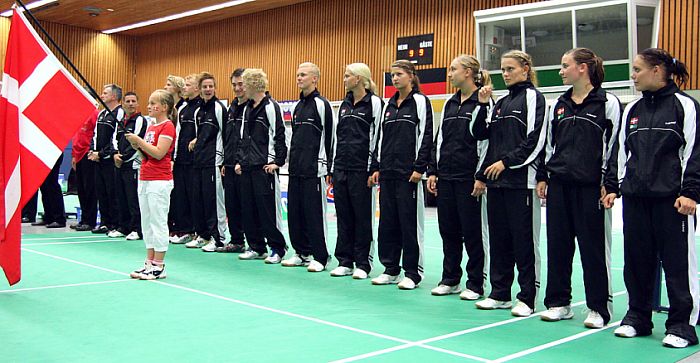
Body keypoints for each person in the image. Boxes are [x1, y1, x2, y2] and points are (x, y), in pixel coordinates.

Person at [603, 48, 699, 348]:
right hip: (635, 199)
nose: (632, 76)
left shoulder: (686, 106)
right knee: (636, 262)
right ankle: (637, 318)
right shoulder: (632, 109)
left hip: (673, 202)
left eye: (636, 70)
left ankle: (682, 326)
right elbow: (620, 151)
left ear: (657, 70)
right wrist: (613, 186)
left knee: (678, 265)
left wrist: (690, 193)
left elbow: (695, 152)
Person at [537, 48, 621, 329]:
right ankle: (558, 303)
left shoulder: (607, 103)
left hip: (590, 190)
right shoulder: (558, 104)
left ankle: (599, 308)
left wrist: (608, 184)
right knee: (558, 248)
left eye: (565, 66)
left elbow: (613, 148)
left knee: (593, 250)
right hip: (559, 186)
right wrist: (543, 177)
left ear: (582, 68)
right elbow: (548, 145)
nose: (560, 71)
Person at [474, 50, 547, 317]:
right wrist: (483, 105)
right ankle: (500, 293)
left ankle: (527, 297)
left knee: (524, 243)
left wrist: (506, 162)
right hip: (497, 185)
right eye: (503, 70)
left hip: (521, 183)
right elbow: (482, 136)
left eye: (510, 69)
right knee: (499, 241)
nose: (505, 74)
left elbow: (536, 140)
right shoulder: (500, 103)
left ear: (525, 69)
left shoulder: (534, 98)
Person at [427, 55, 492, 300]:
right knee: (449, 231)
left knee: (473, 233)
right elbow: (439, 140)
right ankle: (450, 278)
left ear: (468, 73)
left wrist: (481, 176)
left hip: (470, 179)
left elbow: (487, 142)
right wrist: (433, 171)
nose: (449, 73)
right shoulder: (450, 103)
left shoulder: (483, 102)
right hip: (447, 177)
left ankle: (475, 283)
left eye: (453, 69)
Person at [370, 60, 433, 290]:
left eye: (398, 74)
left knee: (409, 224)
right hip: (387, 174)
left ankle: (413, 273)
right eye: (392, 75)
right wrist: (377, 166)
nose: (394, 79)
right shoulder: (389, 105)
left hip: (409, 175)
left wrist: (419, 167)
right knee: (387, 223)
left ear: (411, 76)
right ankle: (390, 269)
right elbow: (380, 138)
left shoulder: (419, 101)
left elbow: (426, 135)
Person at [328, 63, 382, 280]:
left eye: (347, 75)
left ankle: (363, 263)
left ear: (359, 79)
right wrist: (334, 166)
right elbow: (337, 138)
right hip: (342, 168)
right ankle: (345, 261)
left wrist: (374, 167)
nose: (344, 79)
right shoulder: (344, 105)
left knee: (362, 217)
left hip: (363, 170)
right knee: (343, 216)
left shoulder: (375, 103)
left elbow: (378, 136)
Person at [281, 62, 334, 272]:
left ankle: (320, 256)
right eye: (297, 75)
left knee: (314, 214)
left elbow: (330, 137)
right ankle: (301, 252)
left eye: (303, 75)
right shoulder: (296, 107)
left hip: (315, 170)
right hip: (295, 169)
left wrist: (327, 166)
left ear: (315, 78)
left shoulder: (322, 105)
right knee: (295, 213)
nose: (299, 78)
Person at [235, 68, 288, 264]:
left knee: (268, 211)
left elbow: (279, 135)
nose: (241, 89)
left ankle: (277, 248)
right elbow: (242, 137)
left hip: (264, 168)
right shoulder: (247, 108)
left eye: (244, 84)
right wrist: (241, 160)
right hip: (248, 166)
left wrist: (277, 162)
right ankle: (256, 247)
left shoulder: (271, 107)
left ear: (253, 85)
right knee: (248, 209)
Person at [127, 89, 177, 280]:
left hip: (160, 181)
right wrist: (137, 147)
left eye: (153, 103)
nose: (149, 107)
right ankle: (149, 262)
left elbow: (158, 153)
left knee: (158, 222)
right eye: (148, 103)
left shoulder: (168, 127)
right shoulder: (151, 127)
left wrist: (139, 141)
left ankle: (159, 265)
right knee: (146, 222)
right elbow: (147, 154)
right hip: (145, 178)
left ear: (164, 107)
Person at [188, 72, 228, 252]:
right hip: (198, 162)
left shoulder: (219, 109)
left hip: (214, 162)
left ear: (215, 88)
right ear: (200, 89)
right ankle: (202, 235)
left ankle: (217, 238)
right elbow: (200, 134)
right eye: (204, 86)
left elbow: (225, 135)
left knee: (213, 201)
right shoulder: (198, 111)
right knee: (199, 200)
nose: (208, 89)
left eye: (211, 86)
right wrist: (196, 141)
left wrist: (222, 162)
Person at [218, 68, 248, 253]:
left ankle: (258, 243)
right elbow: (227, 137)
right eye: (234, 84)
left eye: (241, 84)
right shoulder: (232, 108)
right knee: (232, 205)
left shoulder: (254, 106)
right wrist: (224, 161)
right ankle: (236, 240)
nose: (237, 88)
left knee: (248, 205)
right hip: (228, 165)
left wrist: (241, 161)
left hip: (245, 166)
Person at [88, 84, 124, 234]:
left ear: (114, 96)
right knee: (100, 192)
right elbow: (95, 135)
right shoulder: (102, 113)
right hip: (98, 160)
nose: (101, 96)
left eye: (105, 93)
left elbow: (116, 138)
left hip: (110, 160)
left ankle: (114, 224)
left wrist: (102, 154)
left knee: (112, 192)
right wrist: (93, 151)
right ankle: (104, 222)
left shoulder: (120, 113)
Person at [111, 91, 148, 240]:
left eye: (134, 101)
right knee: (121, 197)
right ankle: (123, 227)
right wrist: (115, 154)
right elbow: (114, 139)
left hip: (132, 165)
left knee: (133, 198)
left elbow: (137, 142)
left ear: (138, 104)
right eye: (128, 101)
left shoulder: (140, 120)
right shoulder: (120, 121)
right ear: (123, 104)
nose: (131, 104)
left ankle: (136, 229)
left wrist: (124, 158)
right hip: (119, 164)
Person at [171, 74, 202, 245]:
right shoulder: (182, 109)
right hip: (181, 160)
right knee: (181, 196)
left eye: (188, 85)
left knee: (194, 197)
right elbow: (178, 134)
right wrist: (173, 157)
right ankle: (185, 230)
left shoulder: (200, 107)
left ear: (197, 88)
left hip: (195, 161)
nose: (184, 88)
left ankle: (198, 231)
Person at [70, 108, 99, 231]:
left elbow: (96, 135)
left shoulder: (95, 114)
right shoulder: (78, 113)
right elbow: (76, 136)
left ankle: (90, 221)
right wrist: (73, 155)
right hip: (78, 154)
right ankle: (83, 219)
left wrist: (93, 151)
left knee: (89, 189)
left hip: (88, 153)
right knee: (81, 189)